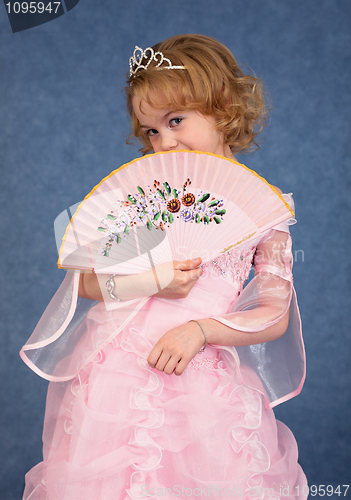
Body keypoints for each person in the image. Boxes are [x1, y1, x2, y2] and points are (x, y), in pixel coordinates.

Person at [21, 34, 307, 499]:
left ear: (225, 107)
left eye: (176, 120)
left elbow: (274, 313)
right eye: (151, 130)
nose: (164, 142)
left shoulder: (266, 214)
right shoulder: (147, 200)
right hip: (118, 378)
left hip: (203, 383)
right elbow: (91, 284)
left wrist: (202, 329)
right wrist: (153, 278)